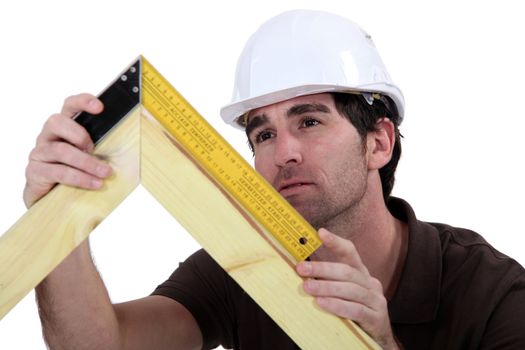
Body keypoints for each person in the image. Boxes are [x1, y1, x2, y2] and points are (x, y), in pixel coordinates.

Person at [26, 10, 525, 350]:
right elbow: (98, 344)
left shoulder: (491, 291)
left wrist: (378, 344)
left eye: (309, 121)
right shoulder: (244, 264)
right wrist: (61, 214)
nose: (282, 153)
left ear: (379, 143)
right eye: (263, 134)